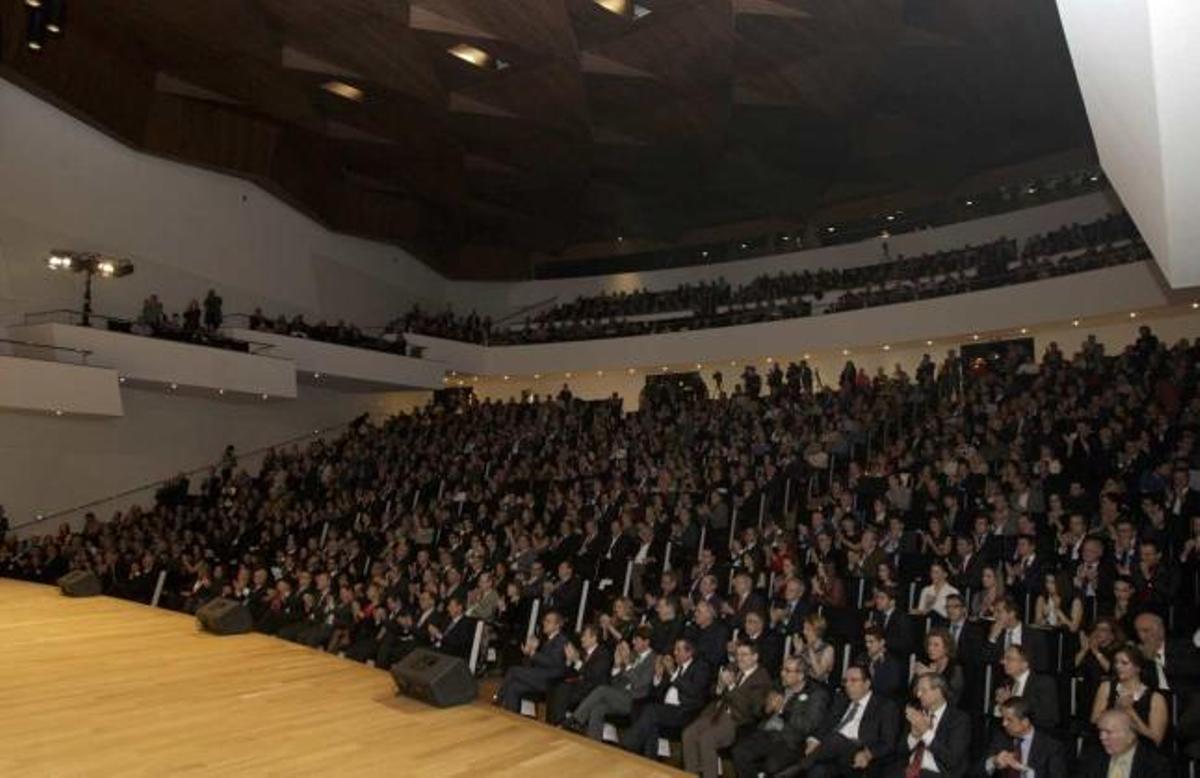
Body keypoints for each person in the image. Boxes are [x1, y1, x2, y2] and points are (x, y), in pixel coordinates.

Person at [680, 640, 772, 778]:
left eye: (744, 654)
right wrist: (720, 686)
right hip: (716, 713)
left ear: (755, 657)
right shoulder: (733, 667)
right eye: (738, 654)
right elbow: (713, 692)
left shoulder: (761, 678)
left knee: (707, 739)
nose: (739, 658)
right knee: (688, 734)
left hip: (737, 720)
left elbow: (752, 709)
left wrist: (731, 687)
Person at [790, 664, 900, 778]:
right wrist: (814, 739)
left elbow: (888, 742)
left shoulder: (885, 706)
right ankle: (801, 767)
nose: (847, 685)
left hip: (859, 755)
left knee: (836, 738)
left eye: (853, 680)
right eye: (845, 681)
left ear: (867, 684)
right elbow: (825, 724)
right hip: (831, 754)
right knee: (818, 770)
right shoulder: (841, 699)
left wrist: (868, 754)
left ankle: (797, 769)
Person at [730, 657, 830, 778]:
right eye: (782, 669)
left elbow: (807, 725)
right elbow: (759, 713)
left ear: (801, 675)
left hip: (790, 741)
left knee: (772, 766)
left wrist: (783, 709)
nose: (782, 674)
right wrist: (766, 709)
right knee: (739, 752)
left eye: (788, 671)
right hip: (767, 733)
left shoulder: (816, 694)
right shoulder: (778, 685)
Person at [620, 638, 710, 758]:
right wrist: (658, 675)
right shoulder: (675, 667)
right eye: (675, 649)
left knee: (651, 711)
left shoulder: (700, 668)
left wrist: (672, 673)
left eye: (678, 650)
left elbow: (693, 691)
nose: (675, 652)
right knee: (649, 718)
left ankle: (627, 744)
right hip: (668, 709)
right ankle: (649, 760)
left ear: (689, 653)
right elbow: (658, 692)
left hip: (685, 712)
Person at [567, 626, 656, 741]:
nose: (633, 642)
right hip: (620, 696)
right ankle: (592, 743)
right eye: (633, 639)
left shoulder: (653, 659)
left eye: (636, 639)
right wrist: (617, 665)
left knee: (602, 689)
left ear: (646, 642)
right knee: (598, 709)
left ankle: (576, 719)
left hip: (635, 702)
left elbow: (639, 684)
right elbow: (615, 683)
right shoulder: (634, 656)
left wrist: (628, 663)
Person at [891, 672, 970, 778]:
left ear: (938, 691)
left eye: (923, 690)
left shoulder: (958, 719)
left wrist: (925, 732)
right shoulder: (917, 713)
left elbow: (952, 760)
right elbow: (899, 752)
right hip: (908, 771)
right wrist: (914, 736)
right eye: (918, 690)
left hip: (938, 774)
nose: (918, 694)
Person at [1089, 645, 1169, 748]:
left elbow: (1155, 740)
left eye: (1124, 663)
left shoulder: (1155, 698)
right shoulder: (1106, 687)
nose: (1118, 666)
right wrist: (1116, 709)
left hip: (1141, 751)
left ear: (1138, 668)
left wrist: (1130, 711)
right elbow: (1094, 721)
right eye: (1116, 662)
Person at [497, 610, 569, 712]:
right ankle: (511, 716)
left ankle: (498, 700)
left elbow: (553, 663)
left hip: (548, 681)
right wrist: (530, 653)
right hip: (539, 677)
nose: (544, 623)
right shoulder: (548, 640)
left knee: (513, 670)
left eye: (548, 621)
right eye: (544, 620)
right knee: (513, 687)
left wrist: (533, 653)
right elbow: (538, 662)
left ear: (557, 625)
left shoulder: (561, 641)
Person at [981, 696, 1068, 778]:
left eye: (1009, 720)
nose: (1004, 724)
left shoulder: (1051, 746)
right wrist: (993, 762)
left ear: (1025, 722)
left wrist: (1026, 771)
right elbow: (973, 772)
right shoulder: (1000, 739)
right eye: (1003, 718)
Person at [545, 625, 613, 725]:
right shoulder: (583, 653)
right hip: (579, 687)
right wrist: (568, 662)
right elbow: (572, 673)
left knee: (563, 689)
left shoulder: (603, 654)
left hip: (592, 691)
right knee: (554, 684)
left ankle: (558, 724)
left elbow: (592, 675)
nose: (581, 639)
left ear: (593, 638)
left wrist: (576, 661)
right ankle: (551, 723)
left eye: (584, 636)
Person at [1080, 710, 1171, 778]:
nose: (1102, 737)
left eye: (1109, 732)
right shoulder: (1090, 759)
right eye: (1100, 731)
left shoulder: (1155, 765)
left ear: (1131, 736)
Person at [994, 645, 1059, 731]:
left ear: (1024, 664)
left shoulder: (1043, 682)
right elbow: (997, 715)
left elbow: (1046, 715)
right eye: (1004, 658)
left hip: (1038, 734)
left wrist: (1012, 701)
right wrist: (1000, 705)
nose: (1003, 662)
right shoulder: (1006, 683)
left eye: (1009, 659)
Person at [913, 628, 965, 707]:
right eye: (929, 644)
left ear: (947, 648)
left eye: (936, 645)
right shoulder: (925, 663)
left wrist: (931, 675)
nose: (930, 648)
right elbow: (913, 694)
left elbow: (952, 699)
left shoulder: (955, 669)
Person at [791, 612, 835, 685]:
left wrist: (810, 650)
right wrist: (798, 652)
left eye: (808, 629)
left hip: (818, 685)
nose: (804, 632)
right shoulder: (803, 646)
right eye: (804, 628)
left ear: (817, 631)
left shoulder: (828, 649)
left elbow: (819, 673)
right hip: (801, 683)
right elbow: (794, 668)